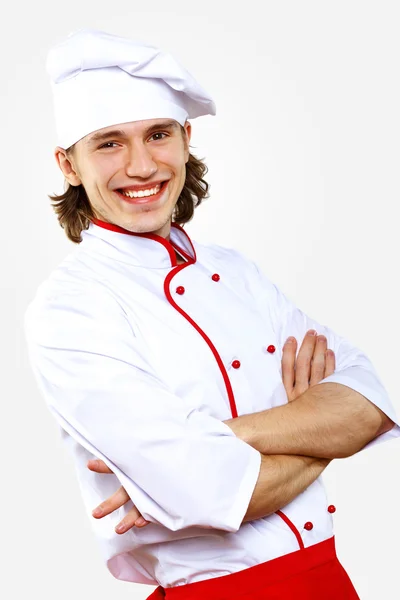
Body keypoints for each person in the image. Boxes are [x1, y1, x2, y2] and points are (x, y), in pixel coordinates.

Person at [24, 28, 399, 599]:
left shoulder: (238, 273)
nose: (142, 165)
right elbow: (215, 494)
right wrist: (317, 426)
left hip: (331, 579)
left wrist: (214, 441)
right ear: (68, 165)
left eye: (157, 134)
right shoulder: (70, 309)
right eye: (108, 143)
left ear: (186, 138)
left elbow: (370, 407)